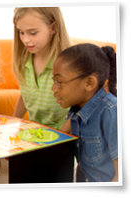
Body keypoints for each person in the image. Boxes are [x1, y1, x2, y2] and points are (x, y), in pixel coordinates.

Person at [51, 43, 118, 182]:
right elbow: (57, 142)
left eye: (59, 82)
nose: (53, 88)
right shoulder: (76, 111)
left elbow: (121, 177)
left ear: (89, 83)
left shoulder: (112, 112)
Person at [12, 7, 71, 130]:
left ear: (53, 28)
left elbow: (80, 109)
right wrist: (12, 123)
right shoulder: (24, 60)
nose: (25, 40)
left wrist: (60, 136)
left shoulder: (68, 64)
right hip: (34, 133)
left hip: (63, 135)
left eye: (33, 33)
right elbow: (26, 96)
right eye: (21, 32)